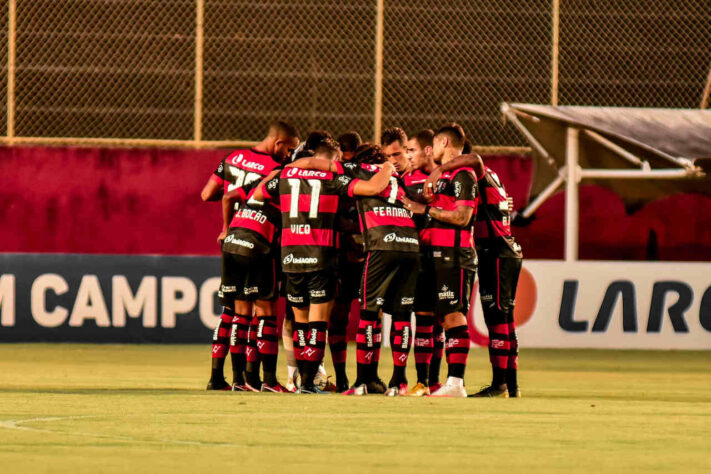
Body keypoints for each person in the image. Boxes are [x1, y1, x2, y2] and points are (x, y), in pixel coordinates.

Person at [254, 139, 395, 393]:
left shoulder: (287, 174)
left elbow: (257, 194)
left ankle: (301, 383)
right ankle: (309, 382)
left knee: (299, 321)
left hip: (291, 255)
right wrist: (386, 168)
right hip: (320, 253)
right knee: (318, 322)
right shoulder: (333, 179)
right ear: (329, 160)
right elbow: (373, 188)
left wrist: (281, 172)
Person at [202, 121, 299, 391]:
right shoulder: (278, 172)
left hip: (232, 236)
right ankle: (259, 379)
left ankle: (225, 378)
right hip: (259, 240)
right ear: (279, 143)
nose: (288, 155)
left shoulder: (233, 158)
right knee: (264, 313)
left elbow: (208, 193)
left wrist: (226, 227)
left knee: (232, 313)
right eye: (288, 149)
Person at [424, 151, 523, 398]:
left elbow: (475, 159)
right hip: (501, 250)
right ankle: (510, 386)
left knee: (498, 320)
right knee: (504, 322)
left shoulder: (472, 172)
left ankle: (502, 385)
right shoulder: (492, 177)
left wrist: (439, 169)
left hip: (497, 250)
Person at [402, 123, 477, 398]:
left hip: (454, 255)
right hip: (428, 256)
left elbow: (462, 217)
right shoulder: (439, 177)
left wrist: (426, 209)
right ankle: (427, 383)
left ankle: (455, 383)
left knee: (452, 315)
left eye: (435, 142)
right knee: (427, 316)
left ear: (444, 143)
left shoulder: (463, 175)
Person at [402, 129, 442, 396]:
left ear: (428, 150)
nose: (408, 156)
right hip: (421, 255)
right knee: (425, 318)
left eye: (411, 150)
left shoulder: (447, 176)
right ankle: (423, 380)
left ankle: (437, 381)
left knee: (444, 322)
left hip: (448, 254)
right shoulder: (406, 180)